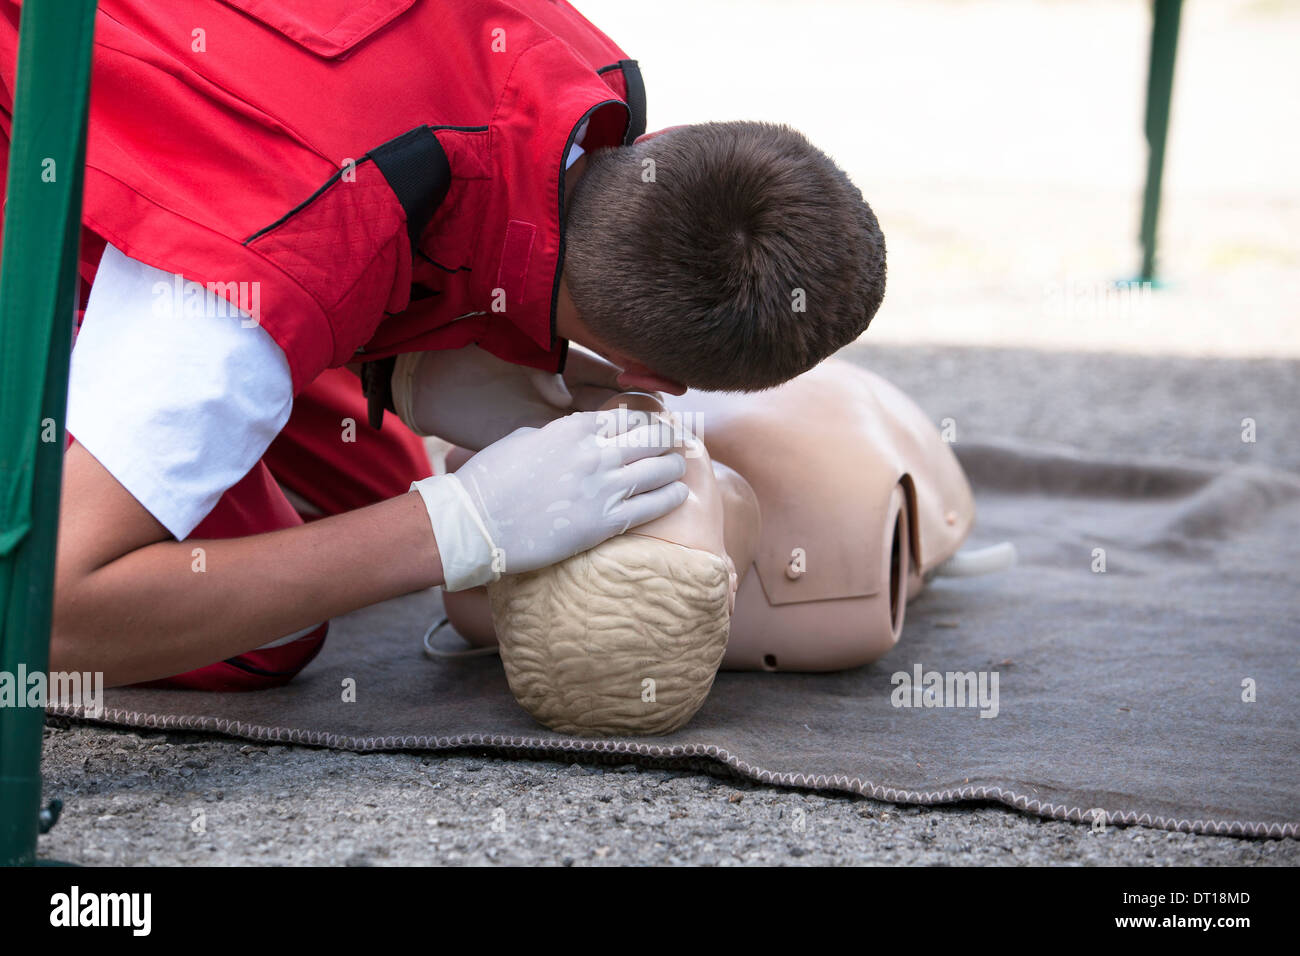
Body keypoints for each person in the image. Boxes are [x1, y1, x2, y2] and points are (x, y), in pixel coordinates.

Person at [0, 0, 886, 689]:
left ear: (657, 144)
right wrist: (458, 531)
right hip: (70, 161)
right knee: (262, 638)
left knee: (377, 481)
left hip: (154, 93)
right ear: (656, 378)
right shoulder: (277, 268)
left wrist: (412, 360)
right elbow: (41, 618)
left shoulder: (575, 63)